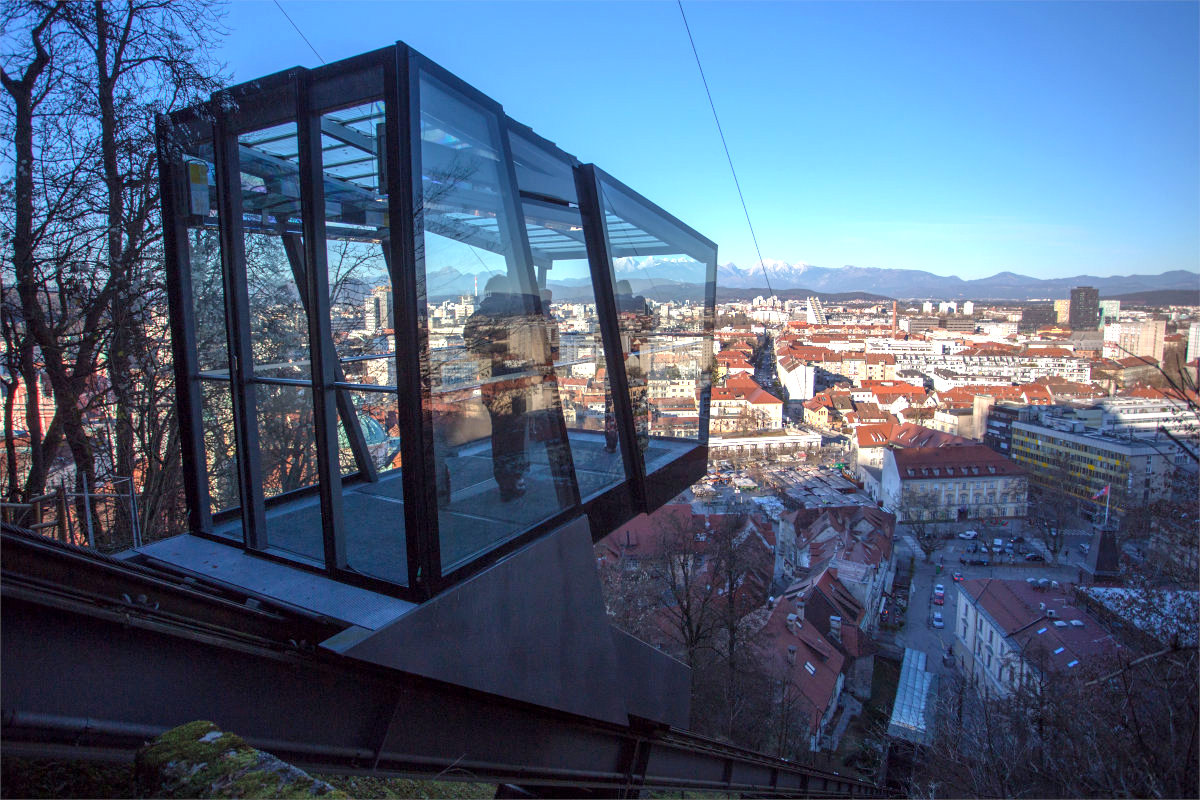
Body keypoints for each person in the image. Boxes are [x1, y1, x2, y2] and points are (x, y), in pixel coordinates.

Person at [463, 275, 541, 501]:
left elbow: (473, 352)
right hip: (518, 384)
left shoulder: (477, 318)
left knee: (500, 433)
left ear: (488, 292)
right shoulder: (518, 316)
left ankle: (505, 480)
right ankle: (515, 477)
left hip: (493, 386)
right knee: (516, 434)